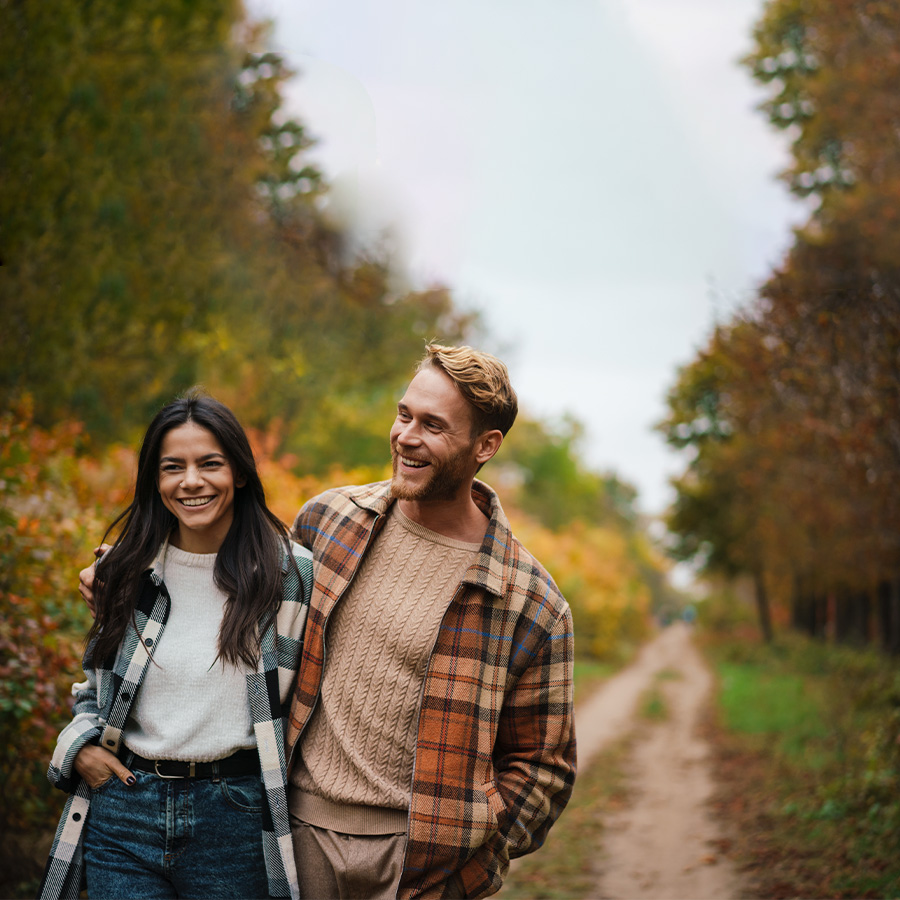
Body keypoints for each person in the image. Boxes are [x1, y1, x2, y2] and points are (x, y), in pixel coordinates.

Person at [285, 344, 576, 899]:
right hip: (296, 842)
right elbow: (236, 613)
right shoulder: (327, 522)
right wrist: (129, 576)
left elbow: (545, 766)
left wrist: (469, 842)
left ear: (484, 446)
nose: (406, 437)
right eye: (404, 415)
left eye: (433, 425)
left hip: (421, 869)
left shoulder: (531, 602)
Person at [42, 393, 313, 900]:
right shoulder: (127, 571)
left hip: (234, 818)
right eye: (173, 467)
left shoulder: (289, 575)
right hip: (124, 811)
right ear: (155, 480)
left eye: (209, 463)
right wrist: (78, 749)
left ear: (239, 472)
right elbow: (95, 691)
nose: (191, 481)